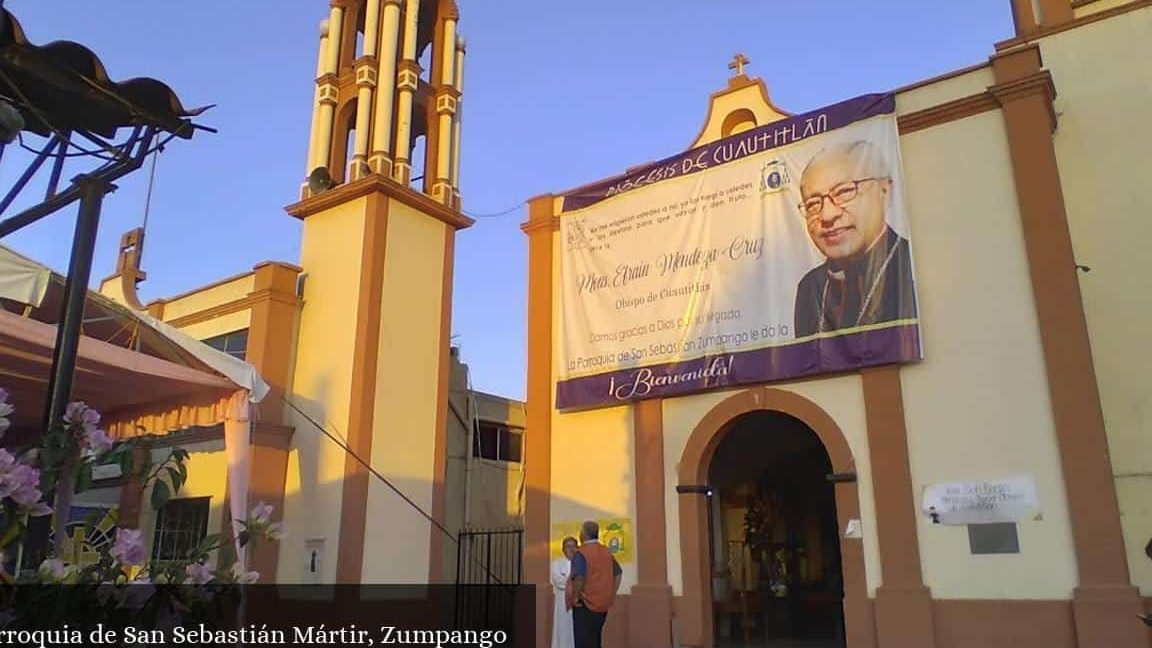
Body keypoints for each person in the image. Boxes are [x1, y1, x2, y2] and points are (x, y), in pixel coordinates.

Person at [793, 139, 918, 338]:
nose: (827, 215)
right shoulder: (810, 287)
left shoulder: (911, 264)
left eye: (844, 192)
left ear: (884, 191)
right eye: (813, 204)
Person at [569, 521, 622, 648]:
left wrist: (575, 597)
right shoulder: (607, 552)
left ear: (584, 534)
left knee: (583, 641)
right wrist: (611, 594)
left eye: (581, 531)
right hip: (603, 604)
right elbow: (618, 574)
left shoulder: (581, 553)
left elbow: (579, 577)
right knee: (595, 639)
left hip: (585, 603)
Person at [550, 536, 579, 648]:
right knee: (562, 629)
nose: (571, 549)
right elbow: (559, 582)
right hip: (562, 603)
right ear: (563, 549)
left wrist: (570, 581)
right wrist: (575, 582)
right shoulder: (557, 564)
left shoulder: (580, 563)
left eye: (573, 546)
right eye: (568, 546)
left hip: (578, 601)